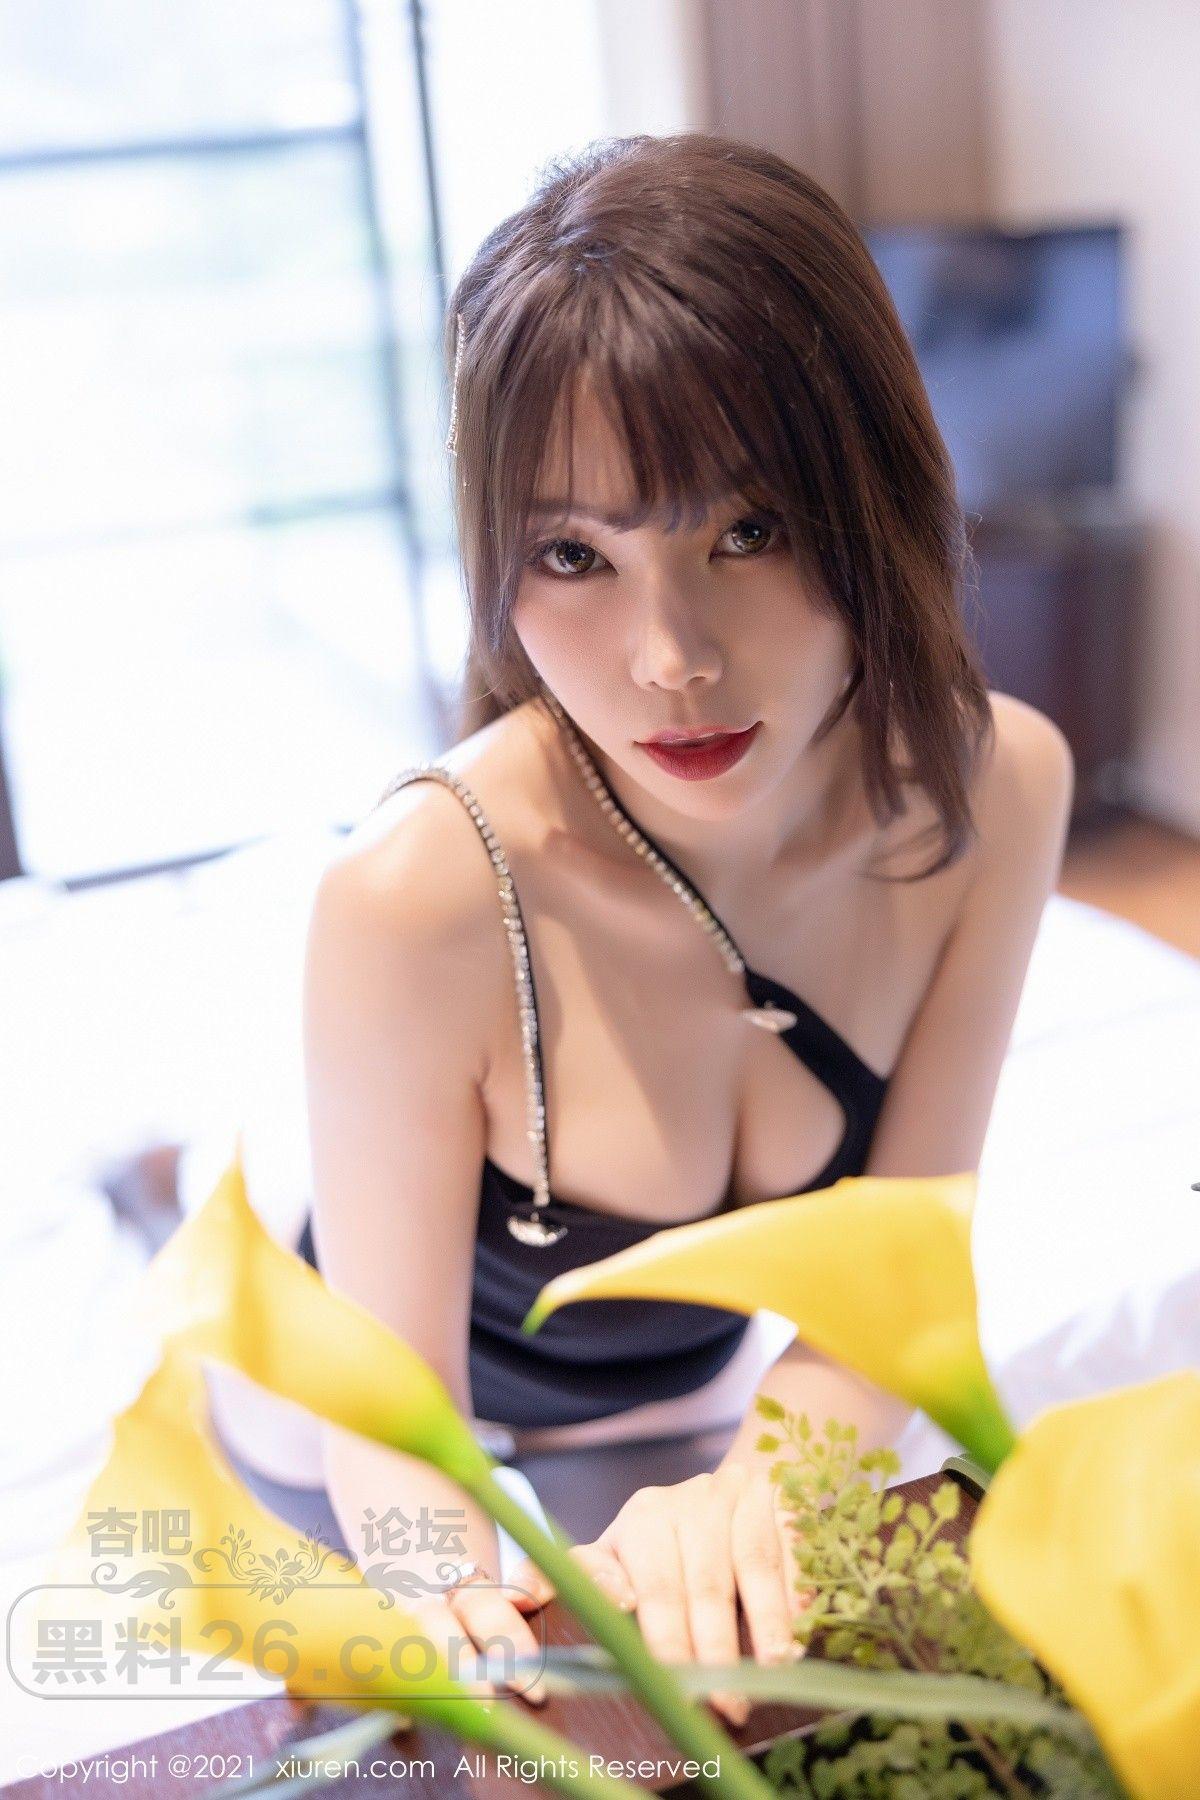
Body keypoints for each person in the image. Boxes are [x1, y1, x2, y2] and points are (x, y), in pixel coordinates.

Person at [301, 133, 1073, 1721]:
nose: (669, 659)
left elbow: (898, 1268)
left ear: (875, 493)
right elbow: (381, 1418)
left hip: (661, 1411)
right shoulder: (413, 896)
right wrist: (472, 1616)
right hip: (353, 1442)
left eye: (749, 531)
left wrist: (748, 1501)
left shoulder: (999, 789)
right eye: (572, 555)